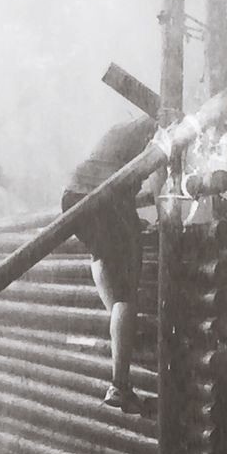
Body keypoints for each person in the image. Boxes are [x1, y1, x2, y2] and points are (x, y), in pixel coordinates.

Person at [60, 115, 162, 413]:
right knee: (126, 293)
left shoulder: (124, 128)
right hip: (105, 195)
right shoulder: (159, 131)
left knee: (101, 253)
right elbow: (159, 183)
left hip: (73, 195)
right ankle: (119, 384)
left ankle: (120, 329)